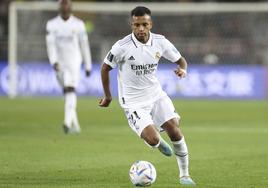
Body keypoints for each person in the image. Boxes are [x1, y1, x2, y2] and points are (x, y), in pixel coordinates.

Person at [99, 6, 196, 186]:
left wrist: (183, 69)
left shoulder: (160, 42)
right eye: (137, 25)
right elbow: (105, 67)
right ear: (132, 25)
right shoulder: (121, 47)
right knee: (153, 139)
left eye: (144, 24)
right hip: (134, 102)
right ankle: (156, 143)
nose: (141, 28)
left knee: (175, 130)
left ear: (150, 24)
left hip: (156, 95)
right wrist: (108, 96)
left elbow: (180, 60)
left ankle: (185, 175)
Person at [46, 0, 92, 134]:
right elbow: (51, 45)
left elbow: (84, 45)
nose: (65, 6)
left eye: (67, 4)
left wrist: (87, 65)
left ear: (70, 7)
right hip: (59, 63)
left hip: (74, 62)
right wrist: (53, 61)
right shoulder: (51, 25)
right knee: (67, 94)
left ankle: (66, 122)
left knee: (70, 89)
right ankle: (75, 124)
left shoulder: (78, 24)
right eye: (62, 4)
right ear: (59, 7)